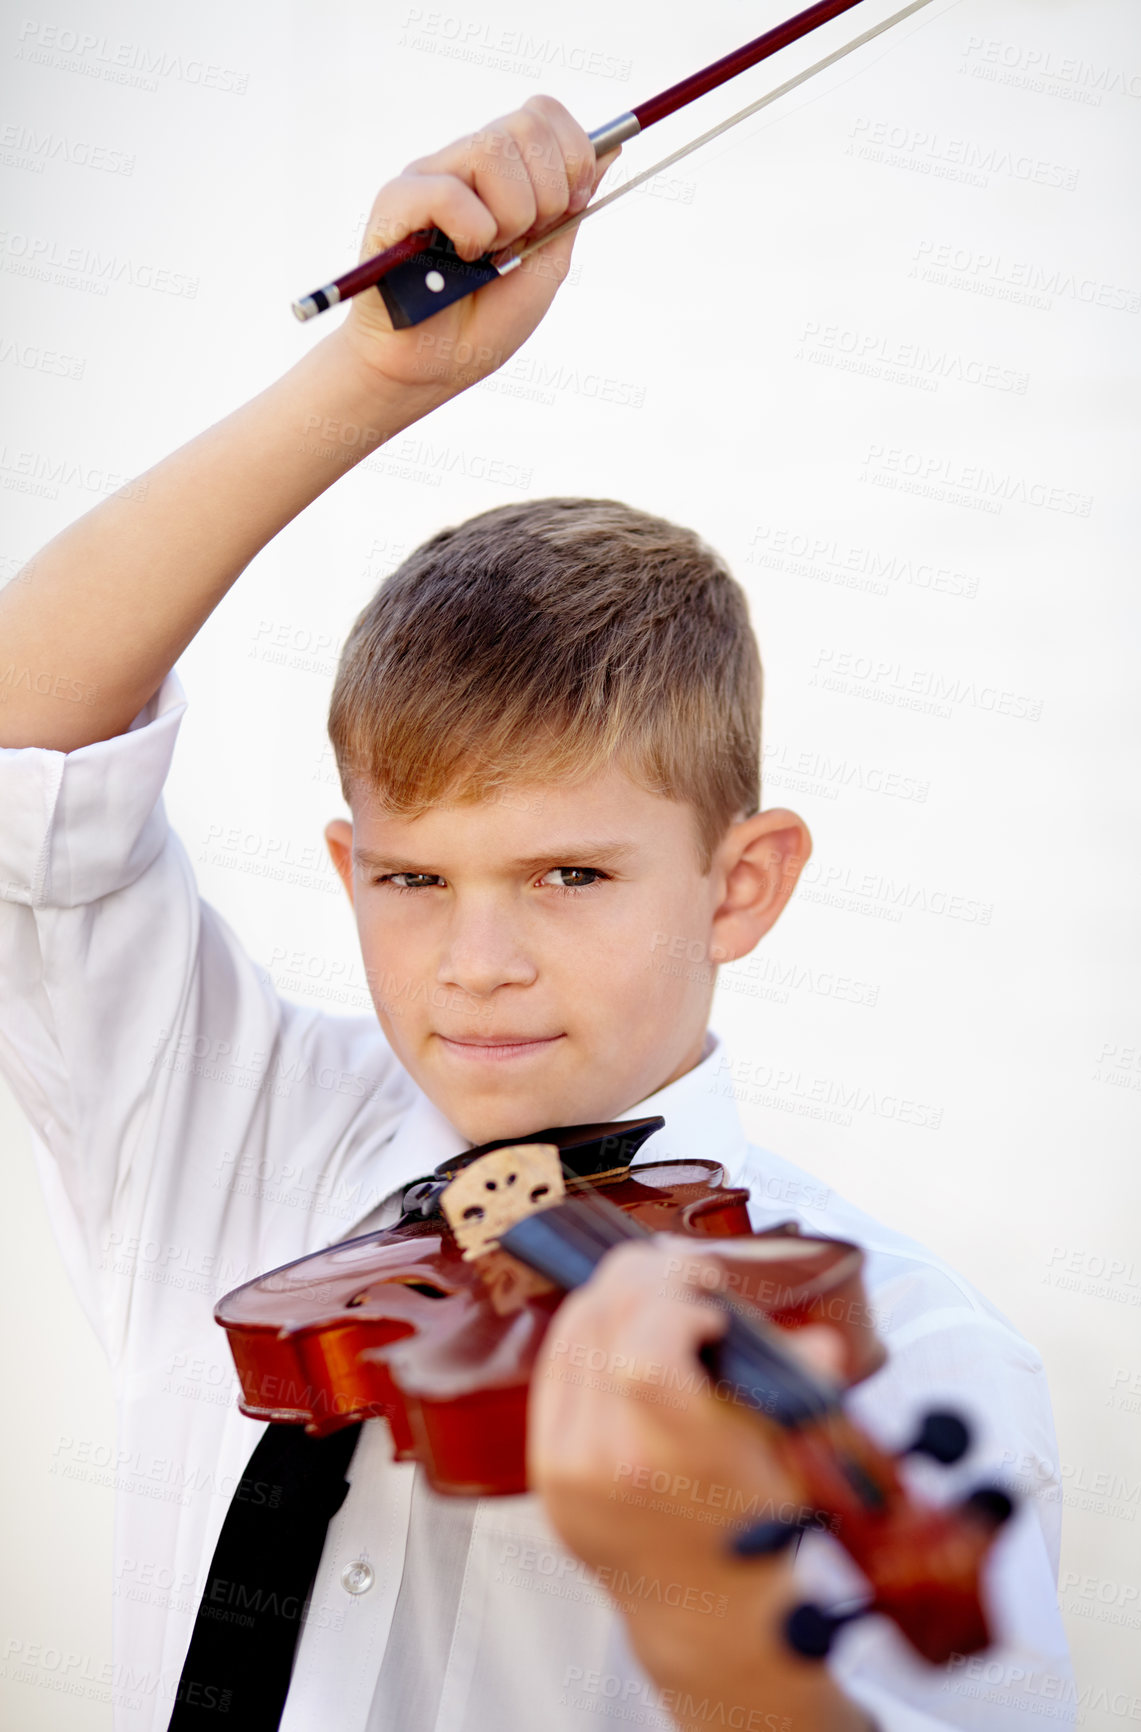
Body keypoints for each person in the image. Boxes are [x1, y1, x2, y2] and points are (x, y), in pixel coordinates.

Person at [0, 94, 1071, 1732]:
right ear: (350, 873)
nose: (478, 964)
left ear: (741, 884)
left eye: (570, 877)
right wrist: (367, 379)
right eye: (417, 883)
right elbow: (27, 743)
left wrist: (716, 1625)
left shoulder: (907, 1351)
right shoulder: (231, 1129)